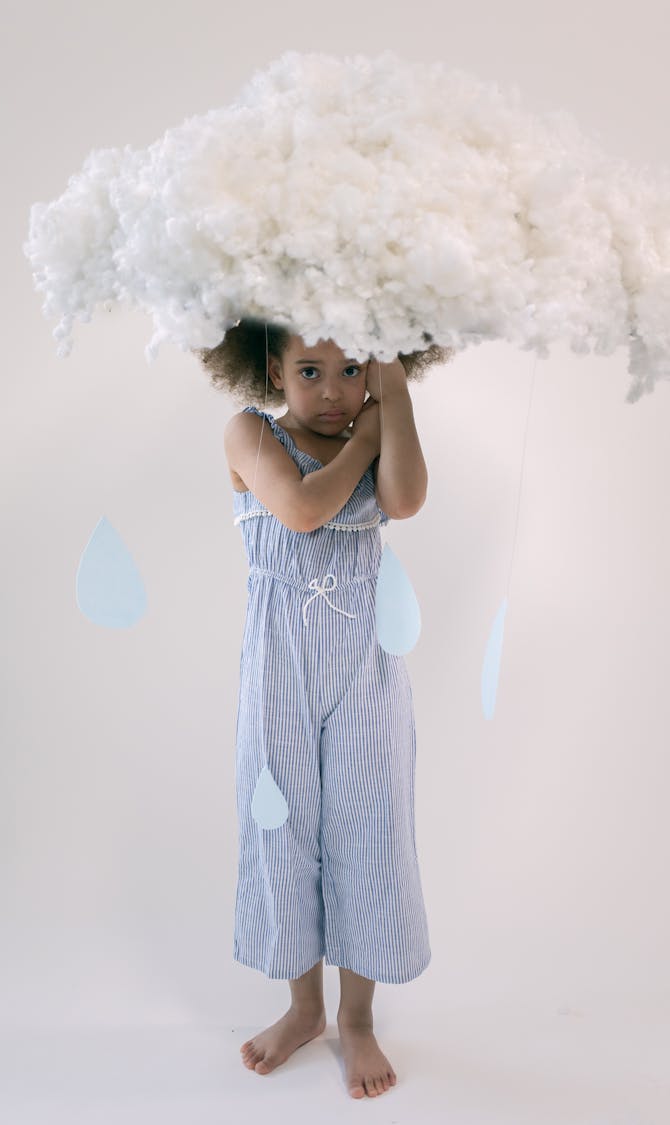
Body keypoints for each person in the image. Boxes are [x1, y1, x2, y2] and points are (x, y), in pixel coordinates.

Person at [199, 319, 450, 1099]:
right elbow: (304, 510)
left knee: (371, 831)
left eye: (353, 370)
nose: (334, 391)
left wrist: (397, 397)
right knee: (284, 831)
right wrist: (365, 440)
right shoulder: (251, 434)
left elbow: (405, 501)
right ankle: (304, 1006)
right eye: (311, 370)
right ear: (273, 368)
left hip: (365, 668)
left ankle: (359, 1016)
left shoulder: (378, 418)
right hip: (280, 670)